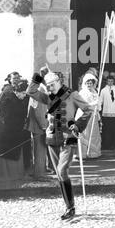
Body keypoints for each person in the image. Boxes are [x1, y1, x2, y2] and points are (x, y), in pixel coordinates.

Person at [27, 67, 92, 220]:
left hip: (67, 138)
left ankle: (70, 208)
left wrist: (77, 125)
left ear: (58, 82)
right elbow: (31, 91)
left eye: (51, 85)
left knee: (62, 171)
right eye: (47, 85)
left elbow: (88, 110)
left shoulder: (72, 95)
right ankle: (69, 207)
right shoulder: (48, 97)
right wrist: (38, 76)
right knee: (59, 174)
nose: (49, 88)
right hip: (51, 139)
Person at [0, 80, 29, 189]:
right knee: (2, 157)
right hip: (7, 135)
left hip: (14, 134)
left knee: (11, 156)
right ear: (17, 91)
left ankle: (12, 182)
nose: (24, 96)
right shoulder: (8, 99)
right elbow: (5, 117)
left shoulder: (18, 99)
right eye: (23, 93)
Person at [26, 82, 51, 179]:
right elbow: (40, 111)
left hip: (36, 126)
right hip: (39, 126)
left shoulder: (39, 89)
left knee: (38, 151)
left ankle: (41, 171)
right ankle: (40, 175)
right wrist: (44, 126)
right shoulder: (41, 90)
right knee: (40, 151)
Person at [78, 73, 102, 158]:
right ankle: (83, 153)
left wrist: (97, 104)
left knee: (94, 134)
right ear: (85, 83)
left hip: (93, 116)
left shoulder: (95, 93)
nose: (89, 85)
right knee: (85, 134)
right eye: (87, 83)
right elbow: (83, 105)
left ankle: (93, 152)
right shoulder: (82, 93)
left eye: (91, 83)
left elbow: (99, 105)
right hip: (85, 116)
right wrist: (92, 104)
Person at [99, 75, 115, 150]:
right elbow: (100, 101)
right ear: (106, 81)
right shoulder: (103, 90)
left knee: (114, 130)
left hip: (114, 112)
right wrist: (99, 109)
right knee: (106, 130)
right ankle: (106, 145)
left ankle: (113, 144)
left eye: (111, 81)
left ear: (113, 81)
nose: (110, 83)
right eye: (109, 81)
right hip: (106, 113)